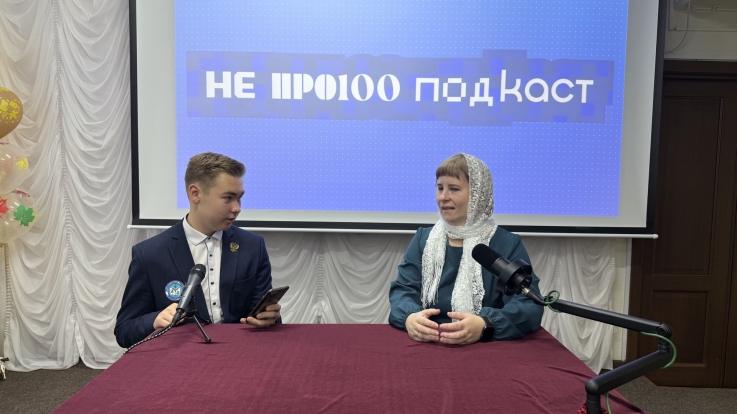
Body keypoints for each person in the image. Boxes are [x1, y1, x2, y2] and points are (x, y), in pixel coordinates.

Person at [115, 152, 280, 348]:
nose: (237, 208)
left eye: (239, 198)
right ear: (195, 194)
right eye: (228, 198)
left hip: (240, 354)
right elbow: (125, 331)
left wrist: (269, 318)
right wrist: (154, 320)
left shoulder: (253, 247)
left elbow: (262, 316)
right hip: (180, 359)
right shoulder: (150, 254)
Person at [389, 153, 543, 345]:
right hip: (428, 341)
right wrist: (410, 317)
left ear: (478, 196)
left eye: (454, 189)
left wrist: (486, 325)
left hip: (487, 346)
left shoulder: (507, 243)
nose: (443, 197)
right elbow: (403, 290)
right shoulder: (424, 239)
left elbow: (528, 305)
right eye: (440, 188)